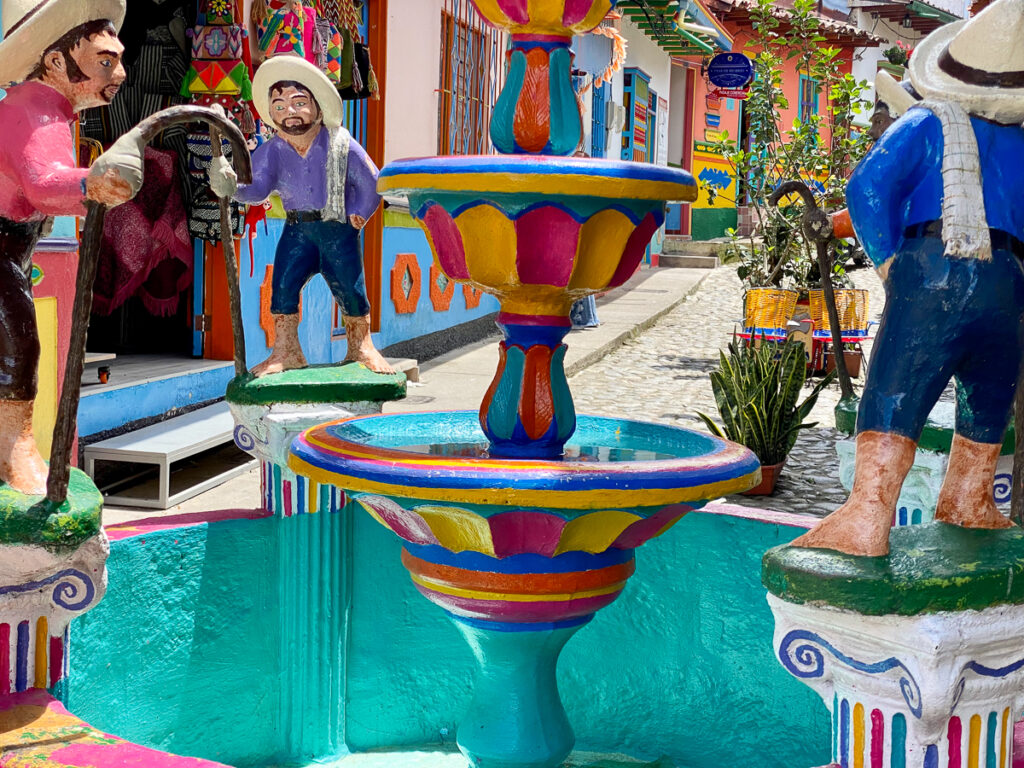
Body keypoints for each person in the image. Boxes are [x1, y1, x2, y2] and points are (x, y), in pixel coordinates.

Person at [793, 0, 1024, 556]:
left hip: (933, 263)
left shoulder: (924, 122)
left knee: (898, 383)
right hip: (1010, 279)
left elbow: (868, 189)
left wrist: (891, 261)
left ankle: (867, 516)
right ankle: (969, 497)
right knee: (989, 392)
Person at [0, 0, 147, 495]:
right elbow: (44, 185)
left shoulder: (50, 109)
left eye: (118, 59)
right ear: (57, 62)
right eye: (105, 60)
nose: (120, 72)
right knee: (18, 342)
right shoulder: (31, 108)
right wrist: (95, 181)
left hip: (14, 246)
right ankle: (15, 450)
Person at [211, 55, 393, 376]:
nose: (289, 112)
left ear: (318, 107)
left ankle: (360, 347)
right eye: (278, 106)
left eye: (298, 102)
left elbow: (371, 182)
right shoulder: (273, 150)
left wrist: (359, 215)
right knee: (282, 286)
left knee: (351, 288)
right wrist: (231, 186)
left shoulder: (340, 144)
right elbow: (257, 189)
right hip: (298, 231)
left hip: (338, 229)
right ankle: (286, 350)